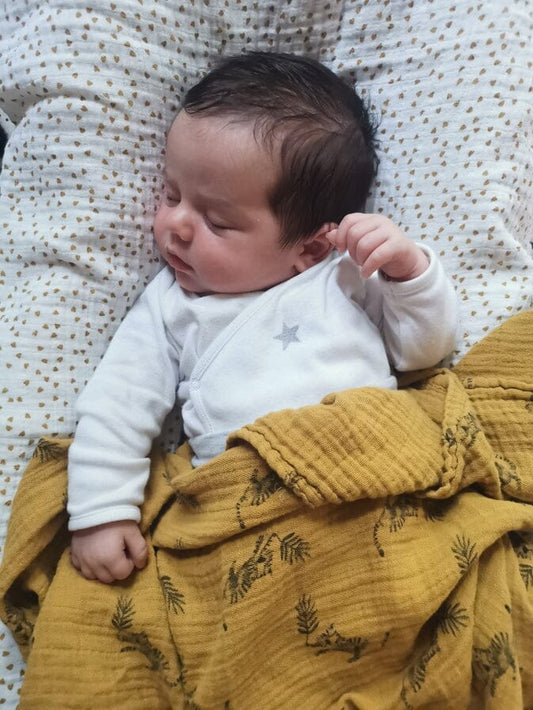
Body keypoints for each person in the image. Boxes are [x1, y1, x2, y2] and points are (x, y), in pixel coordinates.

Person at [68, 51, 457, 584]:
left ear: (310, 248)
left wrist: (409, 273)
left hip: (372, 466)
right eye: (172, 194)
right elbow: (118, 404)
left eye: (217, 221)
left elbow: (423, 352)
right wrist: (100, 513)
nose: (176, 225)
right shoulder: (171, 306)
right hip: (247, 498)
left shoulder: (344, 273)